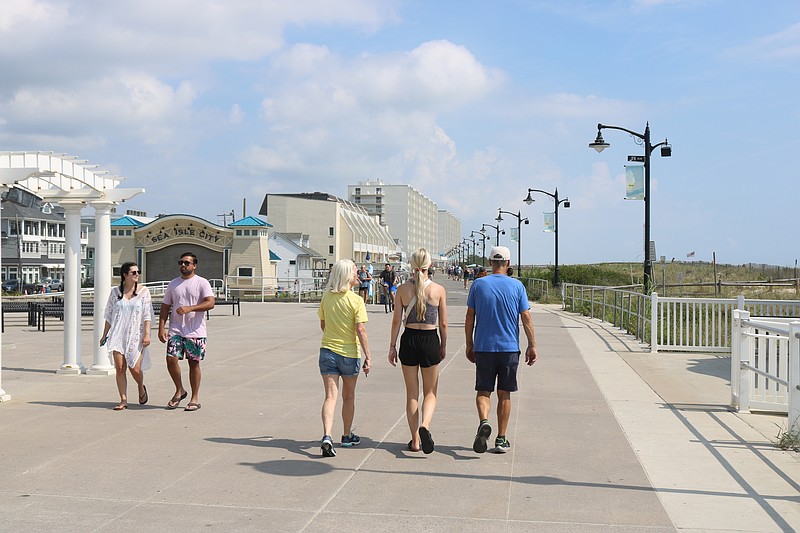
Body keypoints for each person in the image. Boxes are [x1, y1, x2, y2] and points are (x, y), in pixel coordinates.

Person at [465, 246, 538, 454]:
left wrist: (469, 344)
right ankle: (501, 439)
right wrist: (532, 345)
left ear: (490, 263)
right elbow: (526, 317)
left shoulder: (478, 284)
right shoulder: (517, 287)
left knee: (483, 391)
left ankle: (484, 421)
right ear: (508, 263)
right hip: (509, 349)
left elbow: (470, 316)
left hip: (484, 347)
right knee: (504, 393)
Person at [388, 249, 447, 454]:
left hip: (409, 339)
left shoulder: (402, 290)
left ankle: (415, 440)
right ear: (430, 265)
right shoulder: (438, 290)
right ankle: (425, 426)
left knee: (412, 394)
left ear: (412, 265)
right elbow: (444, 323)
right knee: (430, 392)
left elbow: (397, 321)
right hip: (430, 339)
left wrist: (392, 346)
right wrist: (443, 345)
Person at [318, 259, 372, 457]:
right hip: (349, 354)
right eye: (355, 272)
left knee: (330, 397)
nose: (358, 275)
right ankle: (347, 436)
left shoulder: (326, 298)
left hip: (327, 352)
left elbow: (323, 326)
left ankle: (327, 435)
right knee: (348, 396)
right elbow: (360, 330)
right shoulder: (356, 300)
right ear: (348, 275)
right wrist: (368, 356)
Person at [158, 252, 215, 412]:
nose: (183, 265)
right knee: (171, 359)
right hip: (176, 330)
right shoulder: (173, 284)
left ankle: (194, 398)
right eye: (181, 262)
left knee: (194, 363)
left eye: (187, 263)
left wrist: (191, 308)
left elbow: (210, 303)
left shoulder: (202, 283)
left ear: (194, 265)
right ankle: (179, 390)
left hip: (196, 331)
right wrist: (162, 326)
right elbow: (165, 307)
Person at [100, 262, 152, 411]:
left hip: (136, 334)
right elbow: (109, 315)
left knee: (134, 368)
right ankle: (123, 399)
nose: (137, 274)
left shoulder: (144, 292)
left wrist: (147, 334)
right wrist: (104, 335)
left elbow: (147, 314)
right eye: (133, 272)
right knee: (120, 368)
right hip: (117, 334)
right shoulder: (115, 293)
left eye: (138, 272)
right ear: (125, 275)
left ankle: (141, 386)